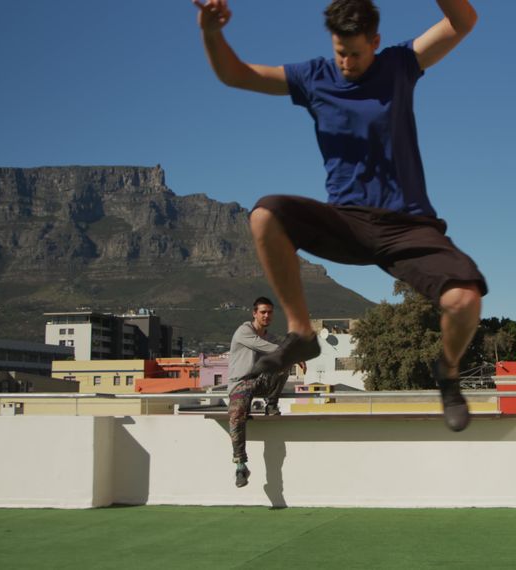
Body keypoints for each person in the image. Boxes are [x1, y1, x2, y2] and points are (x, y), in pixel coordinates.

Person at [193, 0, 486, 432]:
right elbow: (237, 75)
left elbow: (463, 21)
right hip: (347, 221)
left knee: (464, 300)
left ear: (376, 43)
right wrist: (212, 32)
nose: (346, 62)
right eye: (339, 52)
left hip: (410, 226)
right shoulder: (315, 77)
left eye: (356, 52)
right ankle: (301, 335)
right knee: (265, 213)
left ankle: (447, 371)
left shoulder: (400, 64)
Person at [226, 297, 298, 488]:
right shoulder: (245, 331)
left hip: (258, 383)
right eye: (263, 312)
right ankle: (241, 465)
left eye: (270, 312)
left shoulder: (269, 336)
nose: (267, 315)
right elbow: (268, 347)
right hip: (240, 384)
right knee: (236, 416)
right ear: (254, 313)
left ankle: (271, 403)